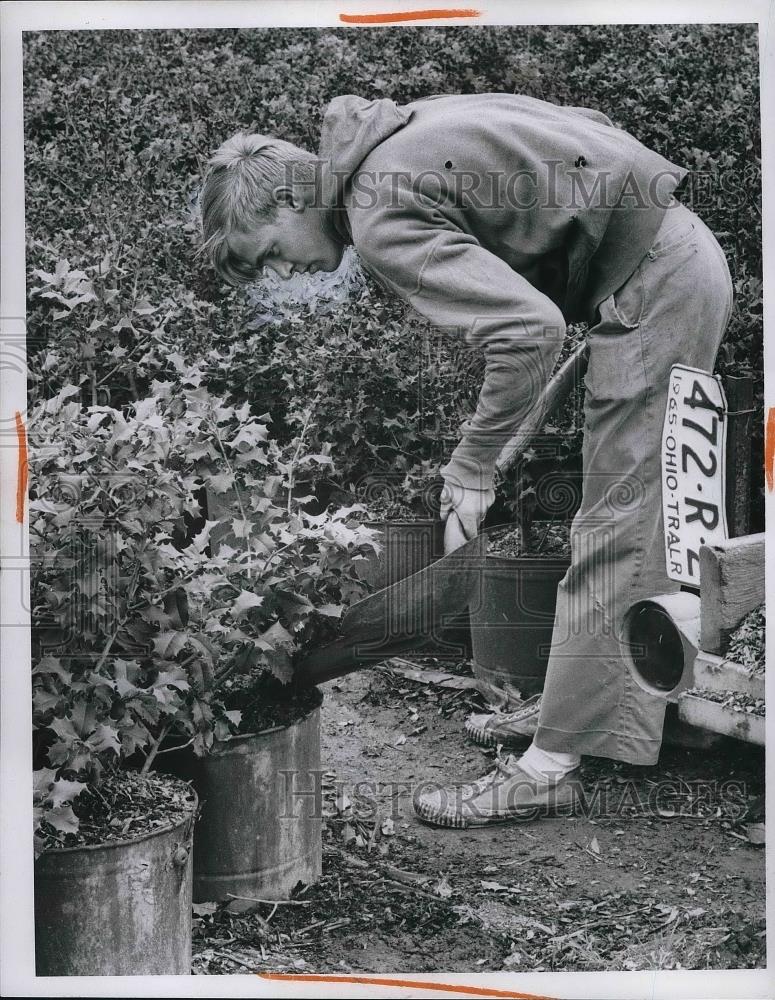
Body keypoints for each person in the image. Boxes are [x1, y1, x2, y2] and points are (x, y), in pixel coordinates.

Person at [200, 93, 733, 828]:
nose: (283, 272)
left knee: (618, 527)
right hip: (663, 262)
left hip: (656, 281)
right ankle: (615, 707)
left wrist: (472, 466)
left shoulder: (376, 213)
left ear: (291, 197)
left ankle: (550, 769)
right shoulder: (400, 132)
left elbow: (525, 331)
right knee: (645, 518)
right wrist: (602, 268)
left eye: (267, 253)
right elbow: (593, 132)